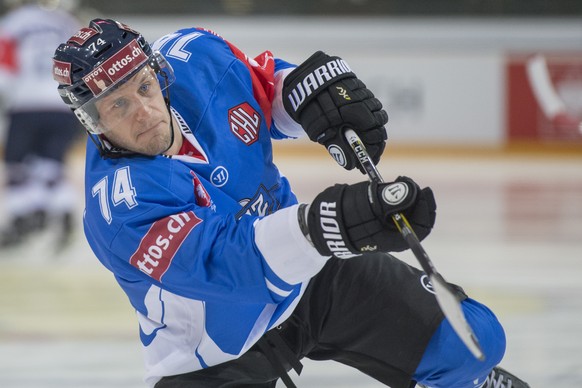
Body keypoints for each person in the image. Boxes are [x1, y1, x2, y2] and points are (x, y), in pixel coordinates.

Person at [52, 19, 530, 388]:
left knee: (474, 342)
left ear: (158, 71)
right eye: (118, 106)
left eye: (144, 87)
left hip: (310, 278)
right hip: (214, 350)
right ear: (90, 121)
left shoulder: (197, 57)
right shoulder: (118, 204)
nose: (146, 112)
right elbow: (226, 262)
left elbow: (263, 89)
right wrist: (334, 224)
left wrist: (308, 96)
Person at [0, 0, 82, 249]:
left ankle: (24, 218)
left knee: (17, 163)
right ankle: (63, 211)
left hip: (26, 101)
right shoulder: (65, 22)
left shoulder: (14, 23)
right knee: (51, 162)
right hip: (62, 103)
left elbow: (5, 68)